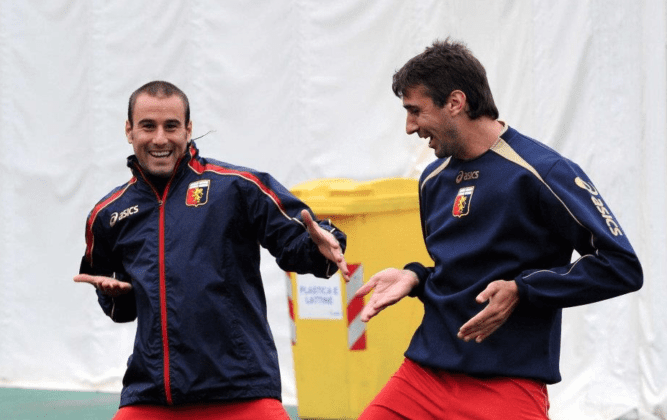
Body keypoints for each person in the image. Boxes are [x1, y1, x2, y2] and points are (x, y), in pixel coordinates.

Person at [355, 39, 643, 419]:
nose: (410, 127)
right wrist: (417, 277)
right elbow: (463, 271)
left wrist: (522, 289)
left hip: (508, 383)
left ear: (455, 103)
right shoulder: (432, 180)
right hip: (423, 376)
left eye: (415, 111)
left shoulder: (543, 171)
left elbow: (621, 266)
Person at [74, 80, 349, 420]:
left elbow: (296, 240)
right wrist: (117, 295)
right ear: (129, 131)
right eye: (148, 126)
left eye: (171, 126)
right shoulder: (108, 214)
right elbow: (120, 308)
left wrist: (321, 245)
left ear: (188, 129)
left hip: (242, 390)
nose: (160, 139)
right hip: (152, 395)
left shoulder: (236, 187)